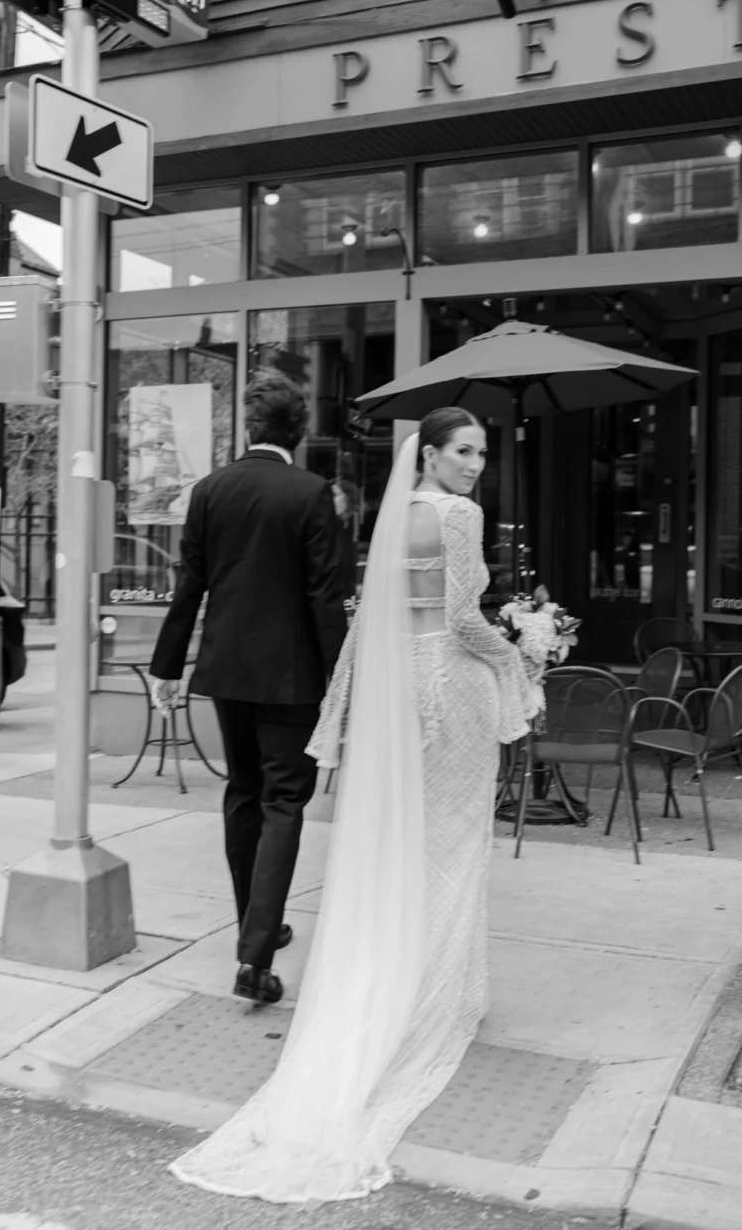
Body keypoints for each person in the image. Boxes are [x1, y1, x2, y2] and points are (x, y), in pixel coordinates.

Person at [168, 407, 534, 1203]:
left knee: (406, 841)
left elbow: (382, 614)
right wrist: (522, 653)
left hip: (404, 693)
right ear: (430, 453)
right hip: (454, 691)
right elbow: (465, 617)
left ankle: (383, 978)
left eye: (481, 454)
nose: (476, 465)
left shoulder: (397, 512)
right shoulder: (459, 515)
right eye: (463, 451)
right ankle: (437, 998)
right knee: (453, 841)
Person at [150, 370, 348, 1007]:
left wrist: (165, 668)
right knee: (284, 803)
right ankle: (254, 958)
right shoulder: (312, 494)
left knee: (243, 794)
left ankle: (255, 926)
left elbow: (190, 585)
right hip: (291, 681)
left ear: (251, 429)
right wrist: (339, 680)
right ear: (299, 432)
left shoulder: (210, 490)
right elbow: (325, 601)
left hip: (226, 672)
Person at [331, 478, 361, 607]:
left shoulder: (351, 526)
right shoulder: (330, 527)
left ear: (348, 497)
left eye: (335, 495)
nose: (331, 501)